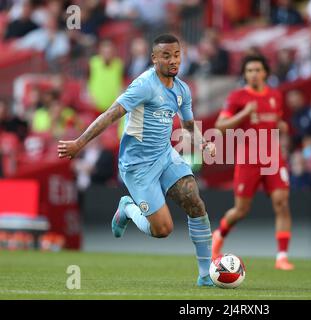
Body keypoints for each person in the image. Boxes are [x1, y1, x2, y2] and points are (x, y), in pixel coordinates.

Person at [58, 34, 217, 286]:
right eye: (166, 55)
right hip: (137, 166)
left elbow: (188, 125)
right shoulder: (144, 85)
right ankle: (128, 208)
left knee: (194, 201)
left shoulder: (182, 89)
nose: (173, 60)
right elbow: (111, 114)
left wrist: (203, 142)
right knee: (162, 230)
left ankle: (206, 274)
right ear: (154, 58)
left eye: (176, 55)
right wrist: (79, 142)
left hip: (165, 155)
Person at [212, 55, 295, 270]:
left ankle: (282, 257)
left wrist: (281, 127)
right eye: (249, 70)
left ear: (265, 73)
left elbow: (275, 122)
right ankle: (219, 235)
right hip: (248, 159)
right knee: (241, 210)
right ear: (245, 74)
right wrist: (245, 114)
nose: (253, 74)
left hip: (273, 158)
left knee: (282, 202)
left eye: (257, 70)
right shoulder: (237, 97)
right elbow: (220, 126)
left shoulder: (275, 95)